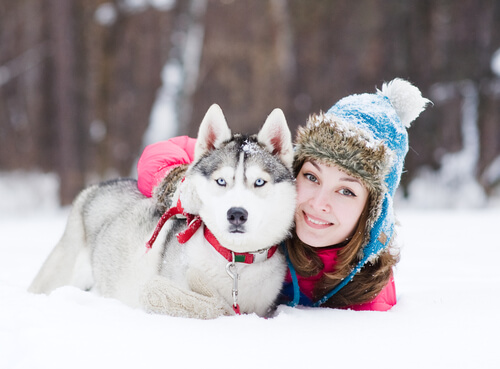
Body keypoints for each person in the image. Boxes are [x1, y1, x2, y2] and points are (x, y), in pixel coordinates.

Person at [137, 78, 430, 312]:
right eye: (312, 177)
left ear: (373, 210)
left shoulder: (369, 295)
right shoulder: (269, 200)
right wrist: (178, 184)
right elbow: (160, 155)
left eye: (346, 191)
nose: (318, 204)